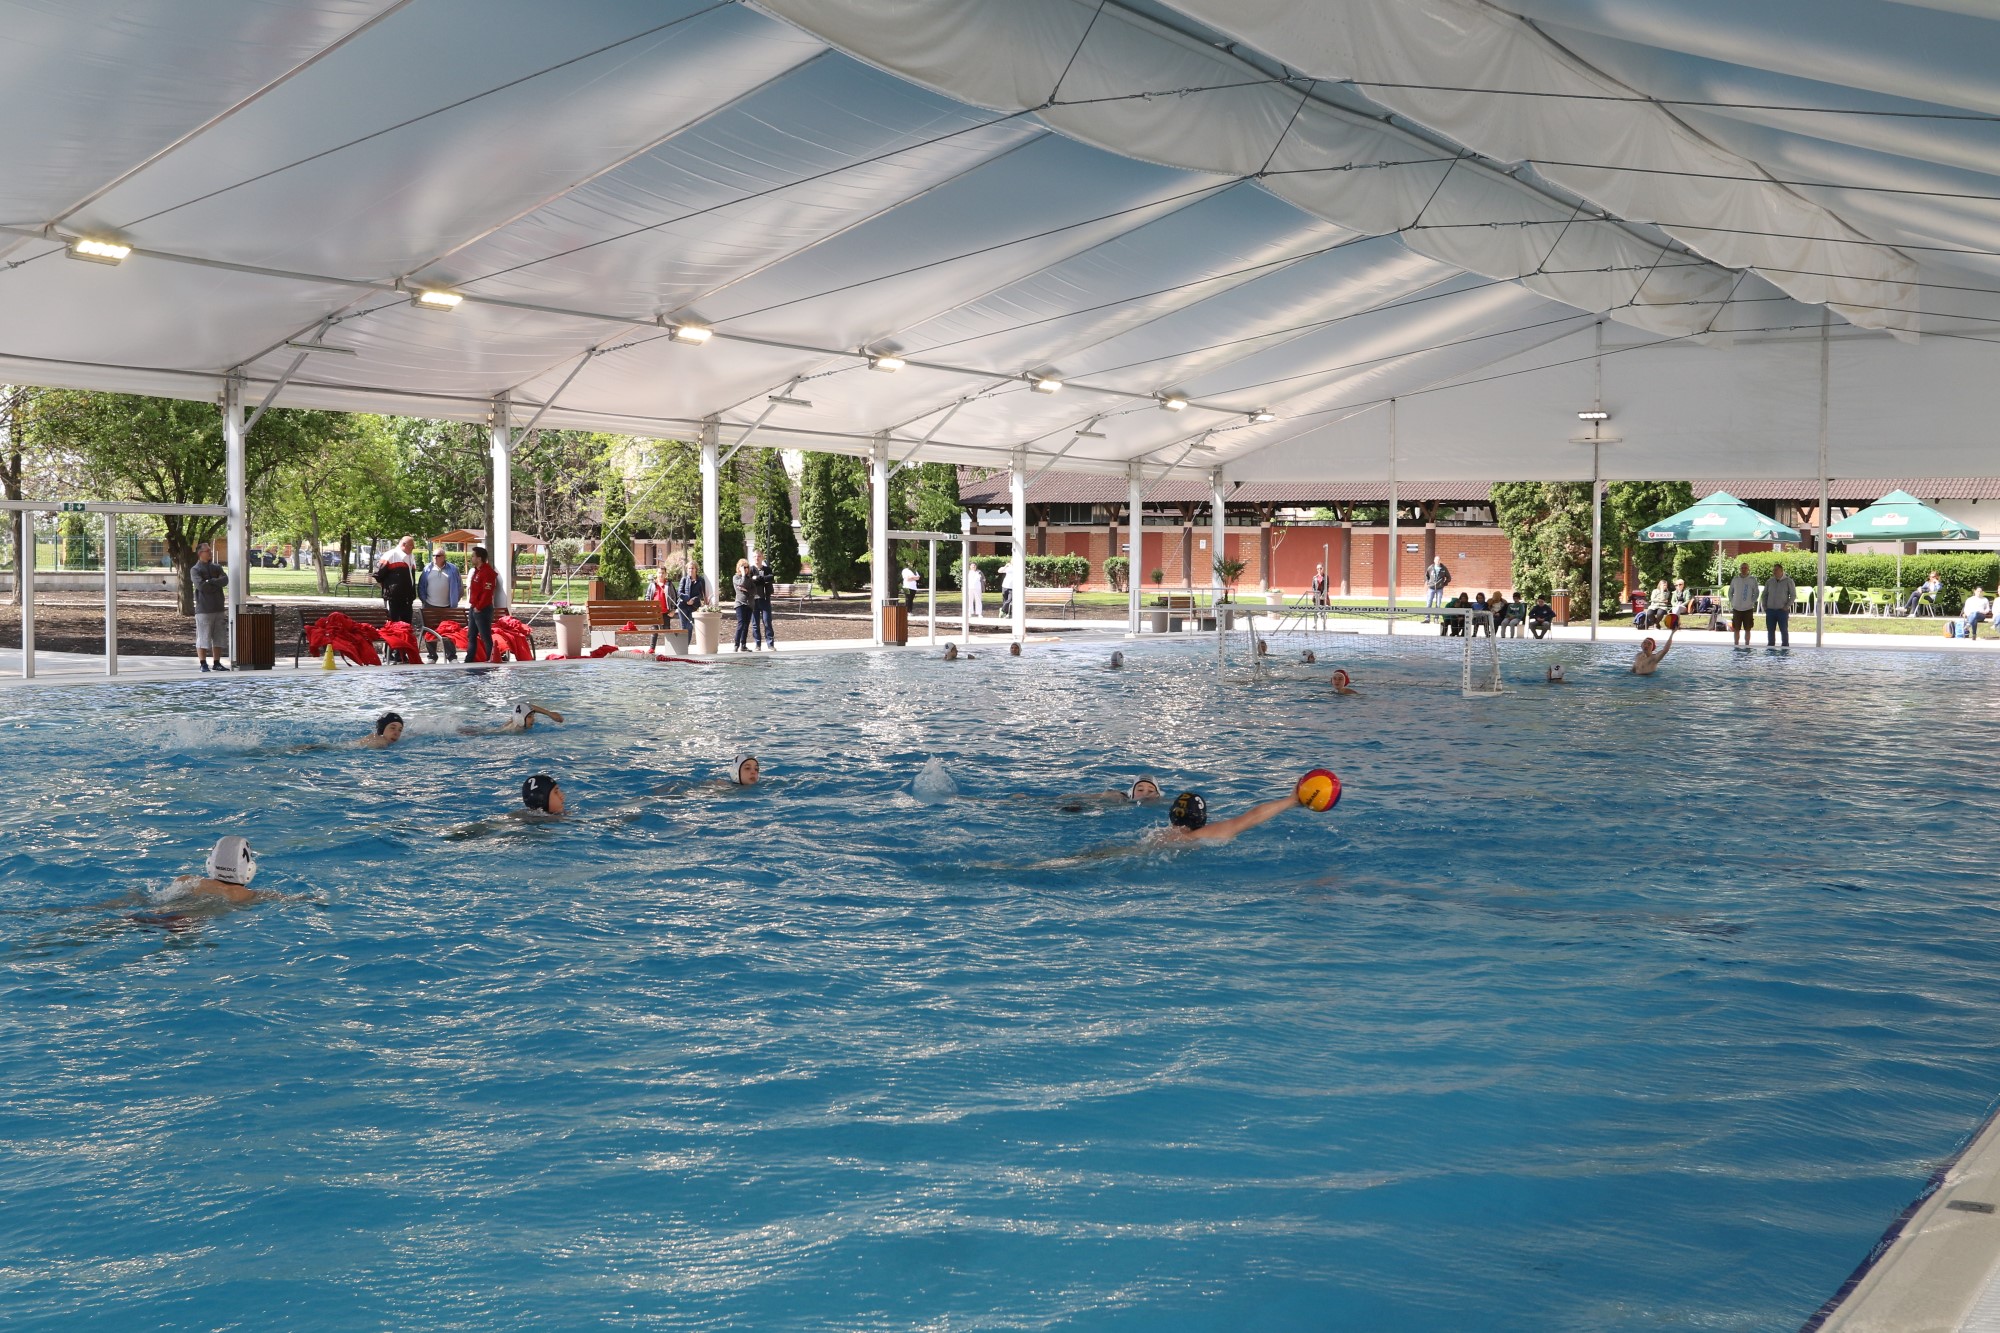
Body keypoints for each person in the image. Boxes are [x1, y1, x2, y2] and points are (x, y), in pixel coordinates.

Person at [1155, 789, 1302, 847]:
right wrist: (1291, 800)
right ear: (1201, 819)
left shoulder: (1158, 836)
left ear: (1172, 814)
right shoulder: (1202, 834)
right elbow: (1254, 816)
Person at [165, 836, 264, 905]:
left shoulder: (185, 880)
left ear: (210, 863)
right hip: (187, 923)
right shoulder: (244, 895)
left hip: (159, 915)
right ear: (249, 868)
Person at [190, 541, 230, 672]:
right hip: (204, 609)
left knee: (218, 637)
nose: (210, 553)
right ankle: (203, 663)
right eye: (208, 551)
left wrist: (211, 581)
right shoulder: (195, 570)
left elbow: (225, 580)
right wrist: (216, 583)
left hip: (219, 608)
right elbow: (202, 586)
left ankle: (217, 662)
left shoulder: (216, 567)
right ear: (200, 553)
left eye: (210, 551)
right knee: (203, 637)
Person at [417, 549, 462, 663]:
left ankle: (451, 656)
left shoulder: (452, 569)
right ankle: (432, 656)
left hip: (447, 606)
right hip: (430, 605)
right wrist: (424, 600)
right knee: (430, 631)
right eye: (433, 555)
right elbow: (421, 586)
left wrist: (454, 600)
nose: (435, 557)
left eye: (438, 555)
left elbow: (459, 586)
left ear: (444, 557)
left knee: (448, 631)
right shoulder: (427, 569)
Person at [374, 536, 418, 642]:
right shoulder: (391, 555)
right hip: (393, 599)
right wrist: (389, 588)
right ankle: (392, 650)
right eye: (411, 546)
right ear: (404, 545)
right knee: (393, 625)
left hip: (407, 598)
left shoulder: (411, 557)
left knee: (406, 627)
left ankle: (403, 650)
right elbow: (378, 575)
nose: (413, 548)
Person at [466, 545, 498, 663]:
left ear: (479, 558)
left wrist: (479, 607)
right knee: (471, 635)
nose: (471, 558)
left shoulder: (487, 572)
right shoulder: (477, 571)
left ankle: (490, 658)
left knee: (485, 636)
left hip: (482, 609)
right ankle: (469, 660)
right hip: (474, 607)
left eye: (473, 556)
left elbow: (487, 592)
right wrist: (474, 606)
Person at [459, 701, 563, 735]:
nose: (533, 719)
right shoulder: (515, 730)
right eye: (529, 717)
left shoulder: (516, 721)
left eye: (533, 716)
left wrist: (549, 714)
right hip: (481, 733)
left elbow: (525, 705)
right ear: (521, 718)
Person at [1762, 563, 1797, 647]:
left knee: (1784, 630)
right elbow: (1764, 594)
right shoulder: (1769, 581)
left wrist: (1787, 606)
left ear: (1781, 571)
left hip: (1782, 610)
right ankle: (1771, 648)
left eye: (1776, 570)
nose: (1774, 572)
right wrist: (1765, 606)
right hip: (1770, 610)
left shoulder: (1788, 581)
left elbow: (1793, 595)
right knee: (1770, 630)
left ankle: (1785, 647)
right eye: (1773, 570)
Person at [1728, 560, 1760, 648]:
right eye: (1742, 568)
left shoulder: (1752, 580)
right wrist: (1732, 601)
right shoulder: (1735, 579)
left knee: (1748, 629)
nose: (1744, 569)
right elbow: (1730, 592)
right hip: (1737, 608)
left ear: (1748, 569)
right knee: (1736, 629)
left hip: (1748, 608)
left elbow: (1756, 592)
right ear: (1740, 569)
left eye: (1745, 568)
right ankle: (1736, 645)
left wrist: (1752, 601)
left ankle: (1747, 645)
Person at [750, 552, 776, 649]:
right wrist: (763, 580)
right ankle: (758, 644)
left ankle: (770, 644)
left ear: (762, 557)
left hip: (765, 599)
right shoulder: (751, 569)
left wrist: (758, 578)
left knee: (767, 622)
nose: (757, 558)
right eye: (755, 556)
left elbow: (771, 577)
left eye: (759, 556)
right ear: (753, 558)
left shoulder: (767, 569)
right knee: (755, 624)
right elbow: (750, 581)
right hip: (754, 600)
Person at [731, 557, 756, 651]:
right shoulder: (736, 577)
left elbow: (754, 591)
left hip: (749, 604)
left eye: (747, 567)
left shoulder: (749, 578)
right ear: (739, 568)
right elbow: (742, 583)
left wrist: (746, 590)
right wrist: (743, 575)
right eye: (743, 567)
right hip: (740, 603)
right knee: (741, 623)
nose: (745, 569)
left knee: (746, 625)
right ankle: (736, 644)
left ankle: (743, 645)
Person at [674, 565, 704, 635]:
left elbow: (702, 594)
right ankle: (684, 642)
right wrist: (687, 599)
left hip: (694, 606)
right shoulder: (684, 579)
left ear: (696, 569)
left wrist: (693, 600)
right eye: (689, 568)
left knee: (689, 626)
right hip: (683, 605)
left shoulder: (700, 580)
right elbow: (679, 592)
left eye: (692, 568)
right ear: (687, 570)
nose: (691, 570)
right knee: (684, 627)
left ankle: (686, 642)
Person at [1423, 554, 1451, 622]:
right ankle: (1427, 618)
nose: (1437, 561)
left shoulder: (1443, 568)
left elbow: (1449, 577)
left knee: (1438, 604)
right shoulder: (1430, 568)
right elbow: (1426, 576)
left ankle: (1436, 618)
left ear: (1440, 561)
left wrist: (1444, 583)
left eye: (1439, 560)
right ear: (1434, 560)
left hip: (1439, 588)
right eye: (1436, 560)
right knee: (1428, 603)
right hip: (1431, 588)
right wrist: (1429, 582)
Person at [1311, 562, 1329, 628]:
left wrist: (1323, 595)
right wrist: (1315, 594)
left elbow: (1327, 587)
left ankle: (1324, 624)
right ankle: (1315, 624)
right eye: (1318, 569)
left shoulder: (1326, 577)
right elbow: (1313, 587)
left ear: (1323, 569)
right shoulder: (1314, 577)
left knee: (1324, 611)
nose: (1319, 570)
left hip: (1323, 596)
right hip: (1316, 596)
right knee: (1316, 610)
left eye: (1320, 568)